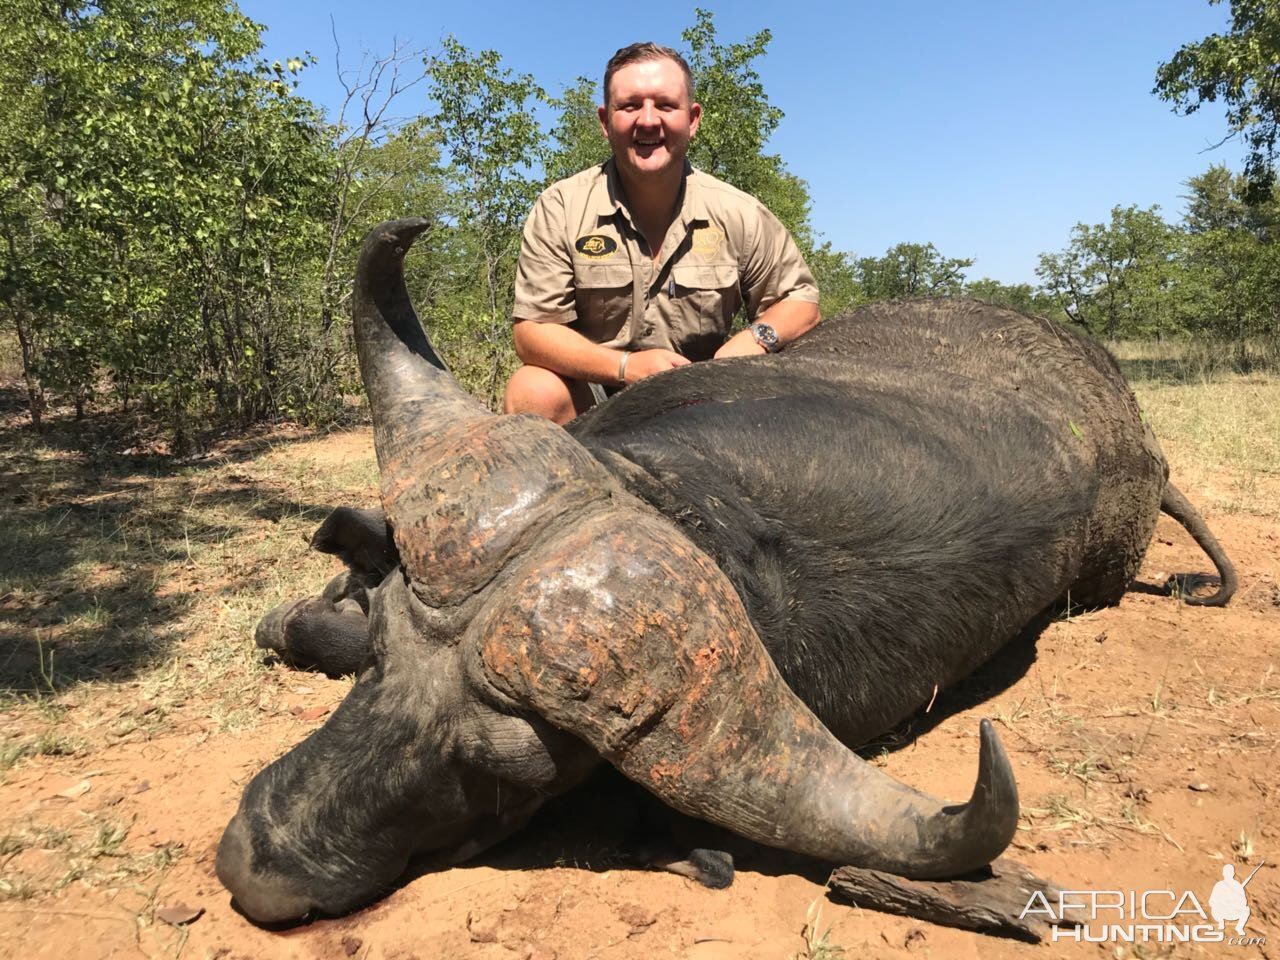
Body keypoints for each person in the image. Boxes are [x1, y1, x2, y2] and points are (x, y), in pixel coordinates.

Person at [503, 42, 821, 424]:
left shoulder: (739, 212)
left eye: (666, 105)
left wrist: (750, 343)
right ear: (606, 121)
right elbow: (533, 332)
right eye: (631, 105)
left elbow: (800, 300)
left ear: (693, 119)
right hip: (598, 398)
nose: (648, 120)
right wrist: (626, 366)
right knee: (532, 390)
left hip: (706, 399)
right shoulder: (561, 208)